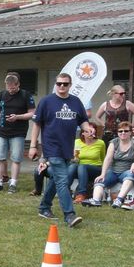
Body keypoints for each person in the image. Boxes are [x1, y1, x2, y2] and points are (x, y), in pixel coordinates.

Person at [29, 73, 89, 227]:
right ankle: (69, 215)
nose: (62, 86)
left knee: (56, 179)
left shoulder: (76, 102)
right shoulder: (46, 101)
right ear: (55, 84)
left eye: (65, 84)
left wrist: (88, 129)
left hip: (67, 148)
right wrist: (33, 146)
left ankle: (44, 207)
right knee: (63, 180)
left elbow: (83, 120)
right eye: (59, 83)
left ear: (70, 85)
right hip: (52, 147)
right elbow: (36, 124)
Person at [0, 72, 36, 194]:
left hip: (18, 132)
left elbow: (32, 113)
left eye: (13, 88)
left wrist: (17, 117)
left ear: (18, 84)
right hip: (2, 131)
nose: (10, 90)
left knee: (16, 158)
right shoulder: (2, 94)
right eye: (8, 87)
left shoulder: (26, 95)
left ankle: (13, 183)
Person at [81, 121, 134, 208]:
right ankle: (96, 200)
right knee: (99, 180)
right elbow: (108, 159)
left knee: (130, 176)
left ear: (130, 132)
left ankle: (119, 200)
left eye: (126, 131)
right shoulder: (114, 142)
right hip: (113, 171)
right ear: (117, 133)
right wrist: (103, 174)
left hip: (127, 171)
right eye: (120, 131)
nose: (123, 133)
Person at [66, 122, 106, 203]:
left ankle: (81, 194)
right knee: (73, 166)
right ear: (83, 133)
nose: (90, 133)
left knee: (82, 166)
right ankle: (65, 191)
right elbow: (73, 158)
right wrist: (74, 158)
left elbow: (103, 159)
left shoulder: (100, 143)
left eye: (92, 130)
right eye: (87, 131)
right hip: (80, 169)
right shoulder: (77, 142)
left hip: (95, 168)